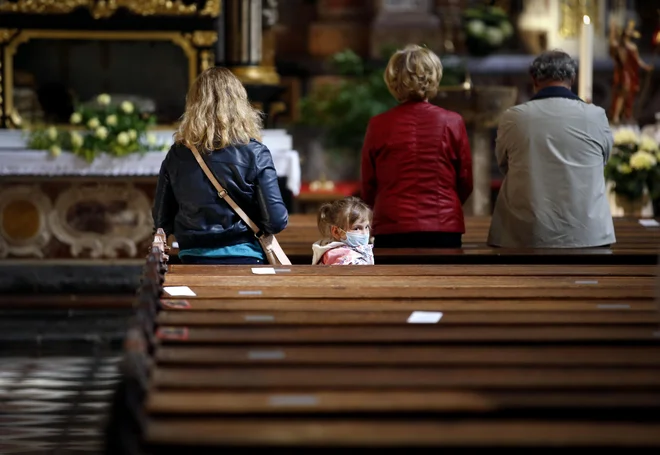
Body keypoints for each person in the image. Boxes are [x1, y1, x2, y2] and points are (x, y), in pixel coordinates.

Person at [152, 67, 288, 265]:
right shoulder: (255, 152)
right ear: (240, 103)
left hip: (193, 259)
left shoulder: (178, 153)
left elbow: (161, 220)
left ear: (194, 104)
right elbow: (275, 220)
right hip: (245, 258)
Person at [487, 50, 616, 248]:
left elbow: (504, 164)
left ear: (533, 79)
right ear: (572, 78)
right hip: (587, 234)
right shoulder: (595, 116)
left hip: (525, 235)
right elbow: (603, 161)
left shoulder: (513, 117)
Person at [361, 44, 473, 249]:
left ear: (393, 81)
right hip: (443, 227)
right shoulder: (452, 121)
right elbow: (465, 180)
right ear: (433, 78)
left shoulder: (378, 124)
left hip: (392, 226)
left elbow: (369, 184)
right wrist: (445, 206)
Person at [312, 197, 374, 265]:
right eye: (356, 228)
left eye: (366, 227)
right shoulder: (340, 256)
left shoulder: (358, 249)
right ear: (336, 232)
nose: (364, 233)